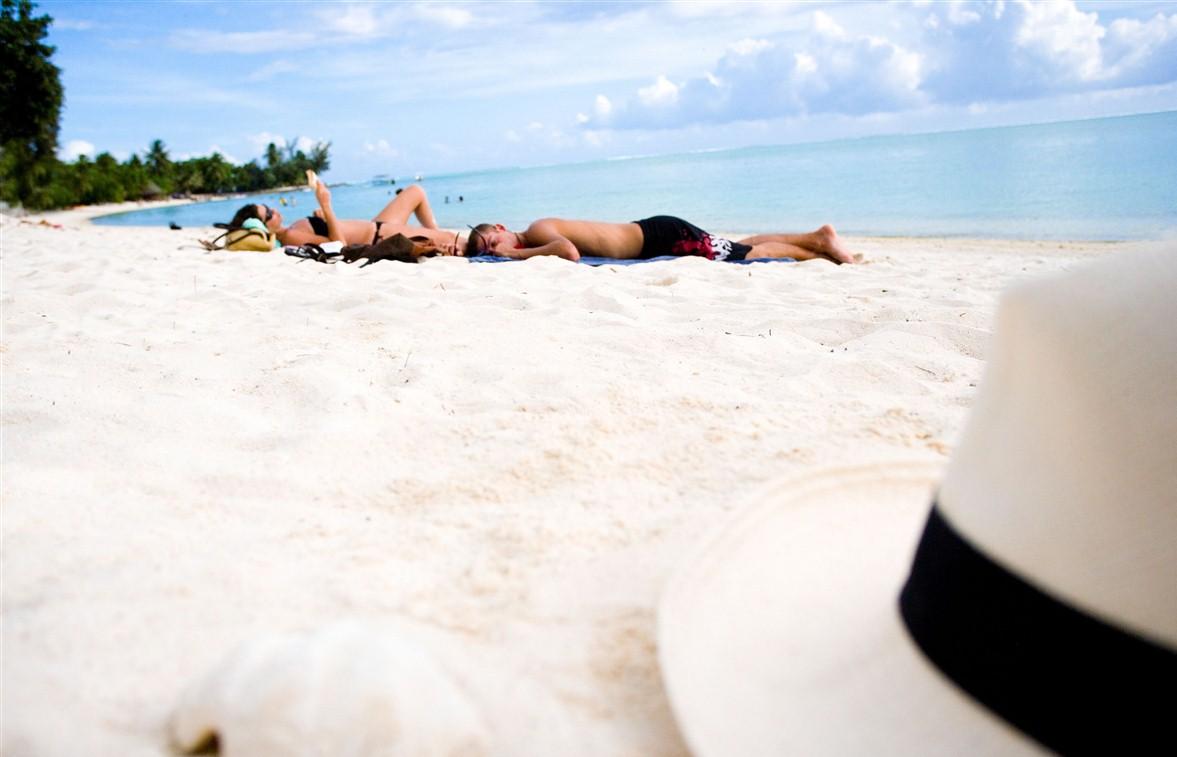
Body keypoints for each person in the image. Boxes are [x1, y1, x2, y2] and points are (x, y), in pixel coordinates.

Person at [464, 215, 856, 264]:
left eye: (490, 245)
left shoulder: (536, 231)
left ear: (500, 229)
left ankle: (820, 243)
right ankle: (813, 237)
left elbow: (567, 252)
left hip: (661, 235)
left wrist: (517, 255)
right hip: (655, 238)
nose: (494, 252)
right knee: (734, 244)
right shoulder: (535, 234)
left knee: (746, 255)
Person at [226, 182, 460, 253]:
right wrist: (326, 207)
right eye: (268, 214)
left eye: (269, 207)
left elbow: (330, 233)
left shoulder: (292, 229)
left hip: (376, 226)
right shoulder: (288, 235)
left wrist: (326, 220)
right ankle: (437, 235)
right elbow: (340, 246)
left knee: (416, 192)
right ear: (265, 227)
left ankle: (434, 230)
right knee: (453, 238)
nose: (274, 211)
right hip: (377, 235)